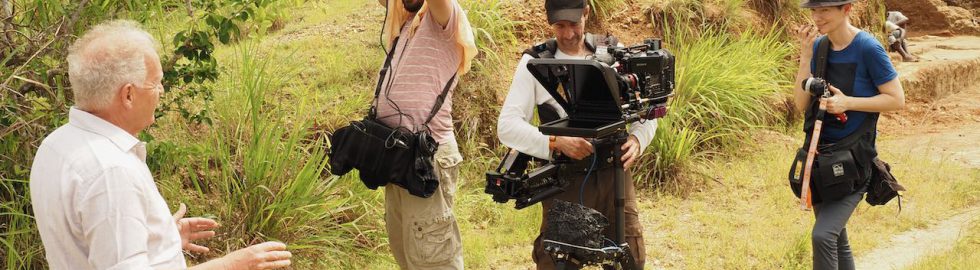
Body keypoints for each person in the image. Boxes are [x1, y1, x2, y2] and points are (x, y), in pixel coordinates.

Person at [29, 20, 292, 270]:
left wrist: (160, 238)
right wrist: (234, 264)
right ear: (128, 95)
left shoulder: (57, 144)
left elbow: (94, 243)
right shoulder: (111, 172)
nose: (162, 91)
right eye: (155, 83)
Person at [496, 0, 655, 268]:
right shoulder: (535, 62)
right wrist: (554, 142)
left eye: (574, 24)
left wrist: (638, 138)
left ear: (586, 12)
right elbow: (508, 126)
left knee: (630, 259)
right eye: (560, 25)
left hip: (614, 175)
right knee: (559, 262)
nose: (568, 34)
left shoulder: (613, 53)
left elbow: (649, 108)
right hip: (565, 182)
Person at [794, 1, 906, 270]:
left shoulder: (867, 48)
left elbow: (896, 99)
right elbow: (800, 104)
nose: (817, 17)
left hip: (854, 161)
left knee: (823, 236)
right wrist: (806, 57)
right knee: (836, 240)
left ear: (846, 10)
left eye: (825, 10)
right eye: (814, 11)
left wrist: (848, 103)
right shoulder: (820, 47)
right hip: (820, 159)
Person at [374, 0, 476, 268]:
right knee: (407, 253)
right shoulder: (407, 24)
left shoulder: (444, 17)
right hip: (398, 157)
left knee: (433, 259)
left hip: (426, 158)